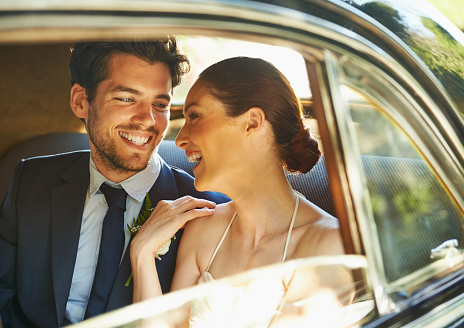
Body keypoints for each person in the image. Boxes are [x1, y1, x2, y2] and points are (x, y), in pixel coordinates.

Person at [0, 39, 228, 328]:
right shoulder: (30, 180)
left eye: (160, 104)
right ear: (81, 101)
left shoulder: (208, 210)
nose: (148, 120)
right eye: (127, 99)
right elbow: (1, 293)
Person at [130, 57, 350, 327]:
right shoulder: (203, 230)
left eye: (195, 117)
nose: (180, 138)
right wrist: (142, 253)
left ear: (252, 122)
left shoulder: (328, 246)